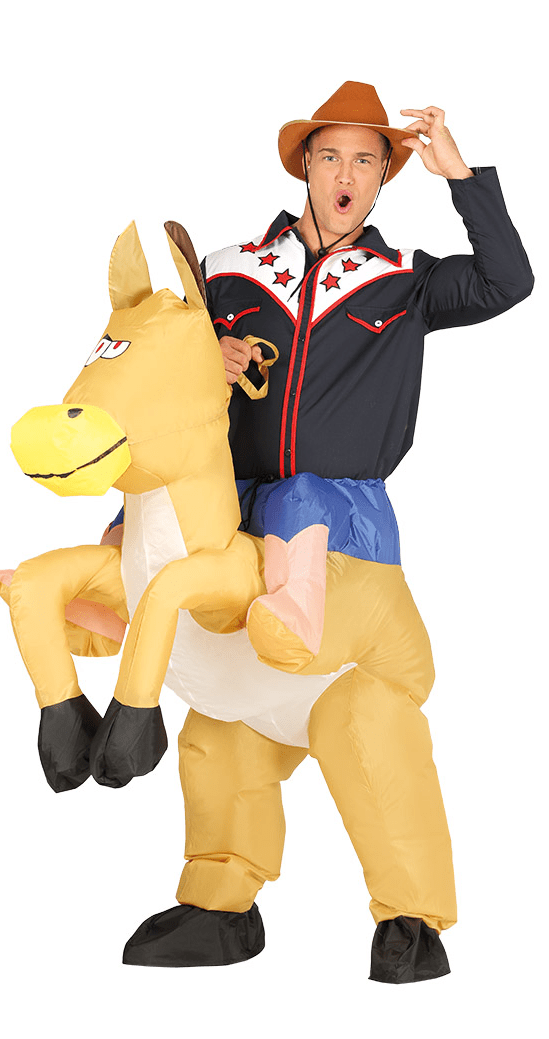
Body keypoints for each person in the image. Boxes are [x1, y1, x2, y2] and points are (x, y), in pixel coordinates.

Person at [121, 82, 534, 981]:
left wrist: (461, 176)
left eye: (365, 160)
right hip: (234, 518)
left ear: (384, 177)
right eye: (330, 155)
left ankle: (411, 919)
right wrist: (206, 356)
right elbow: (163, 385)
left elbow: (507, 281)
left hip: (345, 530)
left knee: (365, 725)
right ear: (303, 166)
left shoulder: (406, 281)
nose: (346, 173)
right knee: (221, 730)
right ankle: (218, 906)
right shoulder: (230, 271)